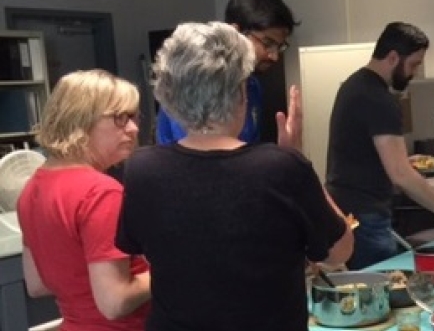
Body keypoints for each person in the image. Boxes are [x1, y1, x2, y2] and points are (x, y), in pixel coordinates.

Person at [116, 21, 353, 331]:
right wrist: (297, 157)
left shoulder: (141, 169)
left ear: (169, 94)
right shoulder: (280, 167)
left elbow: (147, 250)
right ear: (241, 93)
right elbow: (339, 252)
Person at [326, 22, 434, 270]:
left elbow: (361, 151)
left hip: (347, 209)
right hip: (366, 214)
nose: (414, 72)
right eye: (413, 64)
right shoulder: (379, 99)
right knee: (384, 288)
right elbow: (400, 174)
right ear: (393, 57)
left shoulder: (352, 85)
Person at [17, 70, 151, 330]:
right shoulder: (100, 192)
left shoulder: (32, 188)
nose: (134, 128)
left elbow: (37, 284)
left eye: (134, 117)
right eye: (120, 118)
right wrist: (171, 270)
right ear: (79, 120)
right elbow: (114, 302)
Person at [155, 0, 300, 146]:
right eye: (267, 43)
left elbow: (247, 151)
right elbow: (200, 157)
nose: (274, 56)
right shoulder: (195, 84)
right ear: (235, 33)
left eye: (279, 47)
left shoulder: (252, 86)